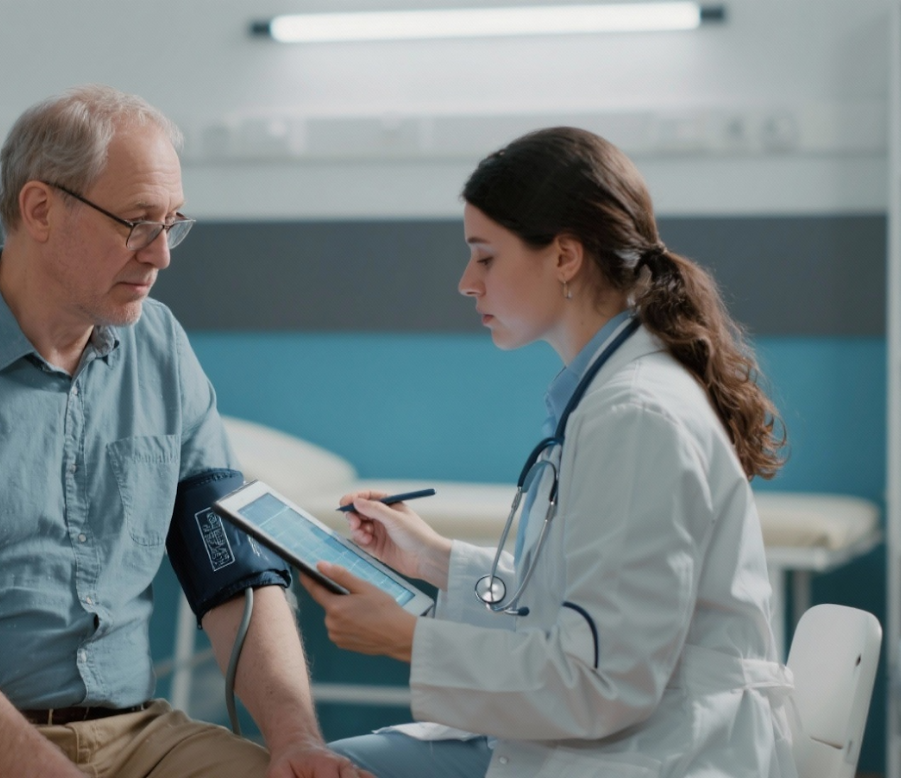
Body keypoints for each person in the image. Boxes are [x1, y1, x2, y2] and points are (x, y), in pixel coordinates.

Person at [0, 85, 367, 778]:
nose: (162, 254)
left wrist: (295, 740)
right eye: (138, 222)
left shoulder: (160, 348)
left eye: (173, 222)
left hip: (134, 737)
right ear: (41, 209)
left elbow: (233, 570)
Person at [300, 127, 796, 778]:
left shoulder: (636, 417)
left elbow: (600, 681)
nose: (466, 283)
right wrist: (436, 560)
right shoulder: (609, 396)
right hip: (604, 737)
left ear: (564, 257)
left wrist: (408, 640)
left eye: (485, 257)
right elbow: (574, 608)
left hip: (657, 754)